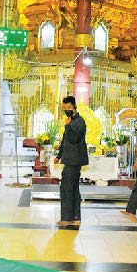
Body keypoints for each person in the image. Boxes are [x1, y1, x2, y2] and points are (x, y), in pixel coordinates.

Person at [55, 96, 87, 227]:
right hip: (69, 159)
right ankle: (75, 217)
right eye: (64, 108)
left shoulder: (79, 121)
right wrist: (59, 156)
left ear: (74, 107)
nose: (66, 110)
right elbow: (65, 141)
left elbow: (74, 138)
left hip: (74, 160)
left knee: (67, 188)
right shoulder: (70, 121)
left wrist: (68, 126)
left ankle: (66, 218)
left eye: (68, 107)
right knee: (72, 188)